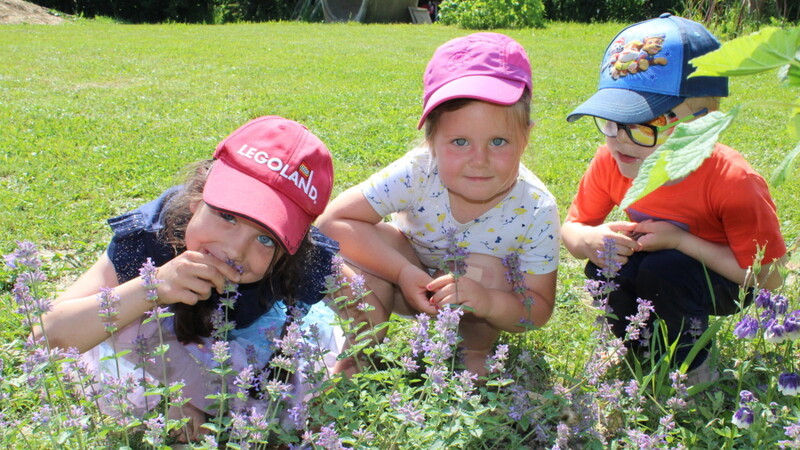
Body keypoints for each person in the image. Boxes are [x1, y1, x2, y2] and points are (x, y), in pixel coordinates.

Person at [33, 116, 340, 441]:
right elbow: (46, 334)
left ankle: (205, 404)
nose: (235, 250)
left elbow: (364, 300)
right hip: (159, 345)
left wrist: (355, 364)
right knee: (128, 321)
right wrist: (153, 286)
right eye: (227, 216)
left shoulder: (305, 261)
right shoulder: (148, 239)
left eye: (267, 239)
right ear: (197, 198)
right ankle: (177, 398)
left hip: (252, 352)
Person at [560, 14, 787, 382]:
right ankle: (633, 346)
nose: (618, 139)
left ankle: (692, 366)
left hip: (724, 279)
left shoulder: (733, 180)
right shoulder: (614, 160)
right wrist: (589, 240)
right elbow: (573, 228)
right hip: (657, 263)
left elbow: (769, 277)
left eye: (641, 126)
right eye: (610, 121)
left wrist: (681, 241)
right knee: (608, 266)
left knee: (665, 268)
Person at [317, 32, 560, 377]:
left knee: (487, 267)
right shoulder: (418, 170)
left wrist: (487, 301)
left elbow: (538, 309)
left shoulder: (536, 207)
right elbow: (332, 223)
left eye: (498, 141)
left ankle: (474, 353)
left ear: (526, 137)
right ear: (431, 140)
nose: (479, 160)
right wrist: (403, 272)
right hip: (408, 284)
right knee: (376, 237)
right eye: (459, 141)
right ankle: (362, 349)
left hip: (480, 303)